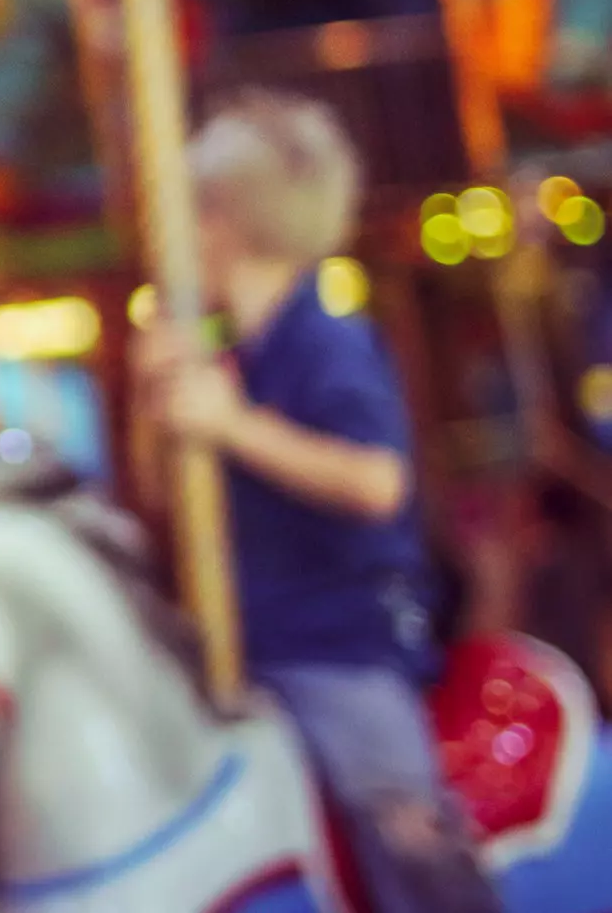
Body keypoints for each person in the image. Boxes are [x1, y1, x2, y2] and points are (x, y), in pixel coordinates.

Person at [137, 90, 502, 913]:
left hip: (338, 646)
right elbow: (169, 502)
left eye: (191, 213)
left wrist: (231, 424)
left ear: (223, 222)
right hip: (251, 645)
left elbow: (378, 482)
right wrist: (158, 404)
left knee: (400, 821)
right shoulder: (239, 352)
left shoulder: (325, 338)